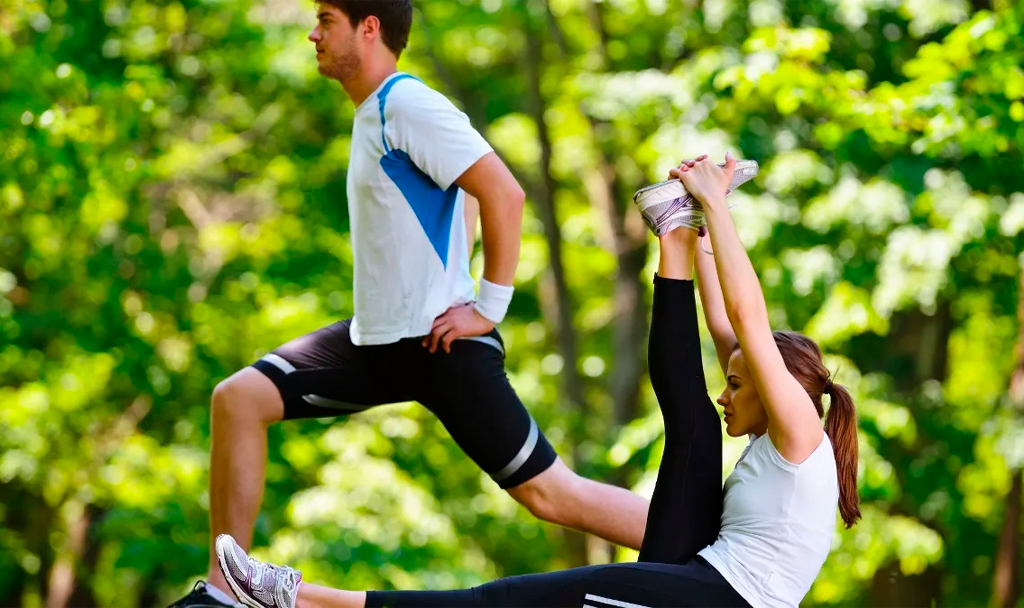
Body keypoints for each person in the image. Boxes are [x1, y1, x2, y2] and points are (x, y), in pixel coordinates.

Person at [208, 153, 862, 608]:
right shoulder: (776, 429)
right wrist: (702, 228)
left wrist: (717, 202)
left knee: (509, 602)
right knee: (690, 419)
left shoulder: (798, 434)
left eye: (739, 385)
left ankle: (294, 599)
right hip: (702, 568)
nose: (727, 391)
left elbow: (747, 319)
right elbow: (723, 325)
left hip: (727, 600)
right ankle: (673, 234)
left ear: (779, 390)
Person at [168, 2, 655, 607]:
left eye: (327, 20)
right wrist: (452, 270)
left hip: (438, 345)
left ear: (369, 28)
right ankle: (227, 590)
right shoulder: (373, 113)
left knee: (549, 494)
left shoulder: (407, 104)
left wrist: (485, 307)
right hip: (374, 342)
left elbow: (503, 193)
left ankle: (705, 549)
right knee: (239, 399)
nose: (313, 34)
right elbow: (463, 199)